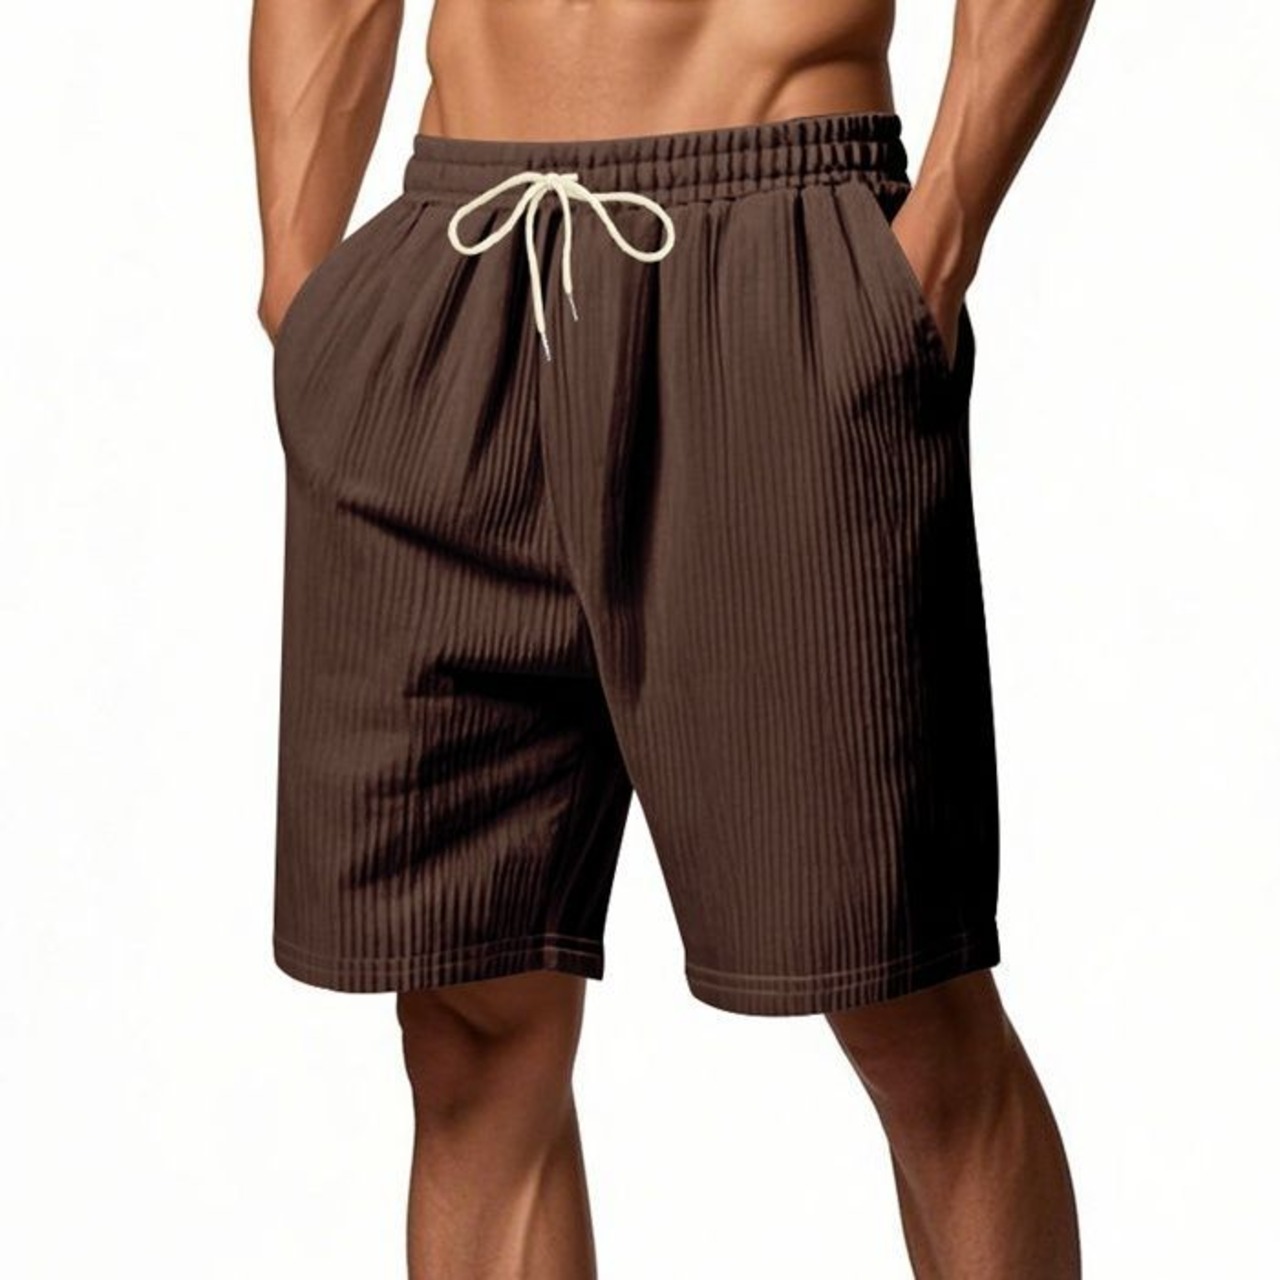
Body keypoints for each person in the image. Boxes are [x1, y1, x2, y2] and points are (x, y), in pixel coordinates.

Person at [249, 1, 1092, 1275]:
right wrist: (299, 283)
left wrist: (934, 245)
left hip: (777, 248)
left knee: (902, 997)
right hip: (457, 263)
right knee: (469, 1027)